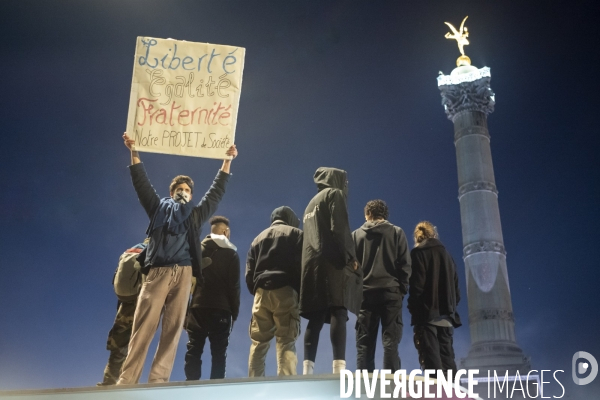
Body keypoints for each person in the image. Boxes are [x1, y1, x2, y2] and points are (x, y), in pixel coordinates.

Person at [117, 133, 237, 385]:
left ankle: (158, 382)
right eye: (179, 189)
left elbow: (215, 193)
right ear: (171, 193)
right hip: (157, 273)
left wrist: (227, 162)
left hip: (183, 275)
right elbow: (141, 183)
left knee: (171, 333)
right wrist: (134, 151)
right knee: (143, 329)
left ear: (192, 196)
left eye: (187, 190)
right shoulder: (157, 208)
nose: (183, 192)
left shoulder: (195, 216)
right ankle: (127, 382)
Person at [300, 167, 361, 375]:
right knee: (338, 310)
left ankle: (307, 368)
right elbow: (340, 228)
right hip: (332, 262)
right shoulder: (335, 195)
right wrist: (350, 257)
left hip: (311, 265)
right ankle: (339, 367)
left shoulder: (310, 204)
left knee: (316, 316)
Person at [352, 200, 411, 372]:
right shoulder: (396, 232)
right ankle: (391, 390)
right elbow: (405, 265)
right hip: (391, 294)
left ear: (367, 214)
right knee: (390, 343)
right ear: (384, 214)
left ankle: (364, 391)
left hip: (365, 295)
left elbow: (350, 268)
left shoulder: (355, 235)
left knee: (364, 345)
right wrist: (401, 290)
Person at [246, 206, 303, 377]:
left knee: (258, 342)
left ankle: (254, 386)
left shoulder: (257, 239)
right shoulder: (296, 234)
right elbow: (305, 267)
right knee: (286, 340)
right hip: (286, 290)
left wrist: (257, 289)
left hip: (261, 293)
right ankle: (286, 389)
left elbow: (249, 272)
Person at [184, 216, 240, 380]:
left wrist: (185, 311)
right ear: (225, 231)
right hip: (221, 310)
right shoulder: (231, 254)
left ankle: (191, 387)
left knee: (194, 349)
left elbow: (186, 282)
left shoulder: (196, 251)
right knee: (219, 353)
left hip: (197, 308)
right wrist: (234, 313)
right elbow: (234, 287)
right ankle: (216, 391)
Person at [408, 221, 461, 373]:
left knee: (432, 363)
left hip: (426, 316)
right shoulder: (447, 255)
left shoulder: (418, 254)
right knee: (448, 361)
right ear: (434, 234)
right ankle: (451, 394)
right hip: (447, 317)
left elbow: (417, 287)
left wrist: (413, 309)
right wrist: (450, 306)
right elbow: (456, 290)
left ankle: (436, 395)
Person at [97, 239, 148, 386]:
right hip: (142, 298)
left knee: (119, 343)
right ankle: (128, 383)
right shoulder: (158, 248)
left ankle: (109, 381)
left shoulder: (133, 249)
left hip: (126, 301)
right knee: (138, 342)